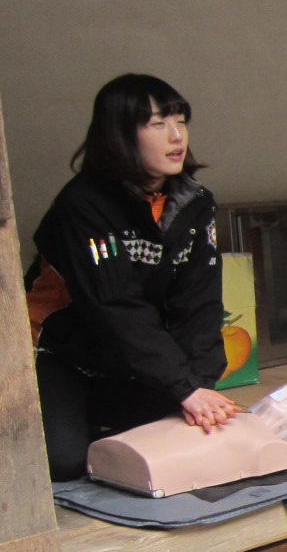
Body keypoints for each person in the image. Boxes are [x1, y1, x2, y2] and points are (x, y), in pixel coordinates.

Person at [28, 73, 234, 481]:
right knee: (63, 463)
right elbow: (114, 305)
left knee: (194, 422)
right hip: (62, 357)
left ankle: (106, 423)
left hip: (129, 362)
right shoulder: (83, 204)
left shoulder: (194, 203)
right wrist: (181, 386)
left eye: (180, 121)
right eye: (157, 124)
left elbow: (200, 302)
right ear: (119, 134)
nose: (176, 136)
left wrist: (198, 385)